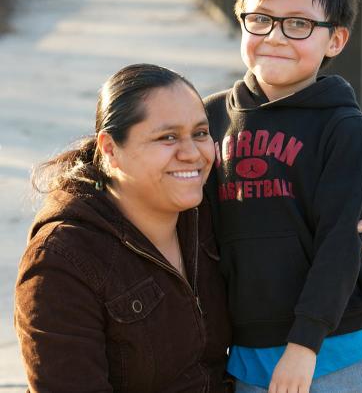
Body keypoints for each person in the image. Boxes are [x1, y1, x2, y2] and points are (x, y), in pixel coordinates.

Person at [203, 0, 362, 392]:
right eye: (261, 18)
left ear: (336, 40)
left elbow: (340, 239)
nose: (275, 36)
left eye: (299, 24)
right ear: (241, 18)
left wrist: (305, 345)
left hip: (335, 346)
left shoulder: (341, 124)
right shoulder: (208, 118)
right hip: (247, 350)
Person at [14, 64, 233, 393]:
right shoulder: (62, 260)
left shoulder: (205, 212)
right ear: (111, 149)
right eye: (167, 137)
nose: (192, 154)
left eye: (200, 134)